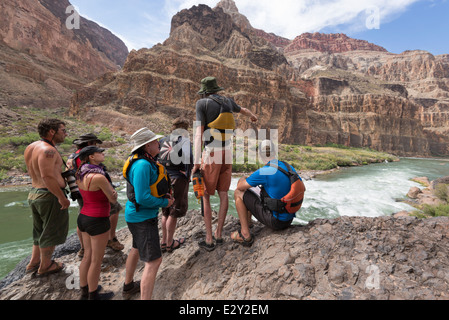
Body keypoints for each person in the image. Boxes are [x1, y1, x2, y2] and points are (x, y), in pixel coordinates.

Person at [192, 76, 258, 251]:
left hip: (211, 153)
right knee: (223, 194)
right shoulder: (228, 101)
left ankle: (209, 239)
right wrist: (252, 116)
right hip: (227, 153)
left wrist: (196, 161)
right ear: (216, 88)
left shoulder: (202, 104)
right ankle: (219, 234)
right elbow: (243, 110)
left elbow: (199, 134)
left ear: (204, 91)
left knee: (205, 195)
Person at [123, 128, 174, 300]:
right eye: (154, 142)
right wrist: (165, 203)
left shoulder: (143, 161)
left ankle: (128, 285)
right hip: (142, 218)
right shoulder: (143, 165)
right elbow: (143, 197)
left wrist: (161, 196)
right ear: (146, 146)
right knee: (154, 261)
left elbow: (145, 191)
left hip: (136, 216)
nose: (158, 143)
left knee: (136, 248)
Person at [232, 140, 305, 246]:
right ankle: (248, 222)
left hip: (276, 222)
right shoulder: (287, 166)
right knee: (255, 190)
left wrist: (243, 177)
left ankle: (245, 234)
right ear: (275, 153)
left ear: (261, 155)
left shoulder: (265, 171)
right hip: (289, 219)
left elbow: (240, 186)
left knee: (238, 192)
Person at [24, 119, 70, 276]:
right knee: (50, 232)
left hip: (34, 193)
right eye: (63, 130)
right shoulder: (48, 150)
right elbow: (47, 176)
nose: (65, 134)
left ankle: (34, 262)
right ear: (52, 131)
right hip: (48, 195)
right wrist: (61, 198)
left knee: (39, 231)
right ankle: (46, 266)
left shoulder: (31, 147)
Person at [67, 133, 124, 258]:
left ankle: (83, 247)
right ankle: (111, 239)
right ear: (89, 144)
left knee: (82, 215)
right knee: (114, 210)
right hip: (95, 191)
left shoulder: (72, 157)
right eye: (95, 143)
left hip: (80, 191)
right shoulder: (85, 157)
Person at [76, 146, 117, 300]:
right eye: (99, 152)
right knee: (96, 260)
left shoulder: (80, 174)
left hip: (84, 217)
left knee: (87, 256)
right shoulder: (99, 177)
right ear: (91, 157)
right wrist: (114, 193)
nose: (102, 153)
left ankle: (84, 292)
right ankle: (94, 295)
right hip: (98, 219)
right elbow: (112, 199)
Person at [159, 118, 193, 253]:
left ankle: (163, 241)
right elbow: (189, 159)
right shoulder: (184, 141)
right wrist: (187, 174)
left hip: (163, 178)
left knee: (165, 210)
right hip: (177, 179)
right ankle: (169, 243)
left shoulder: (162, 140)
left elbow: (158, 157)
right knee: (174, 211)